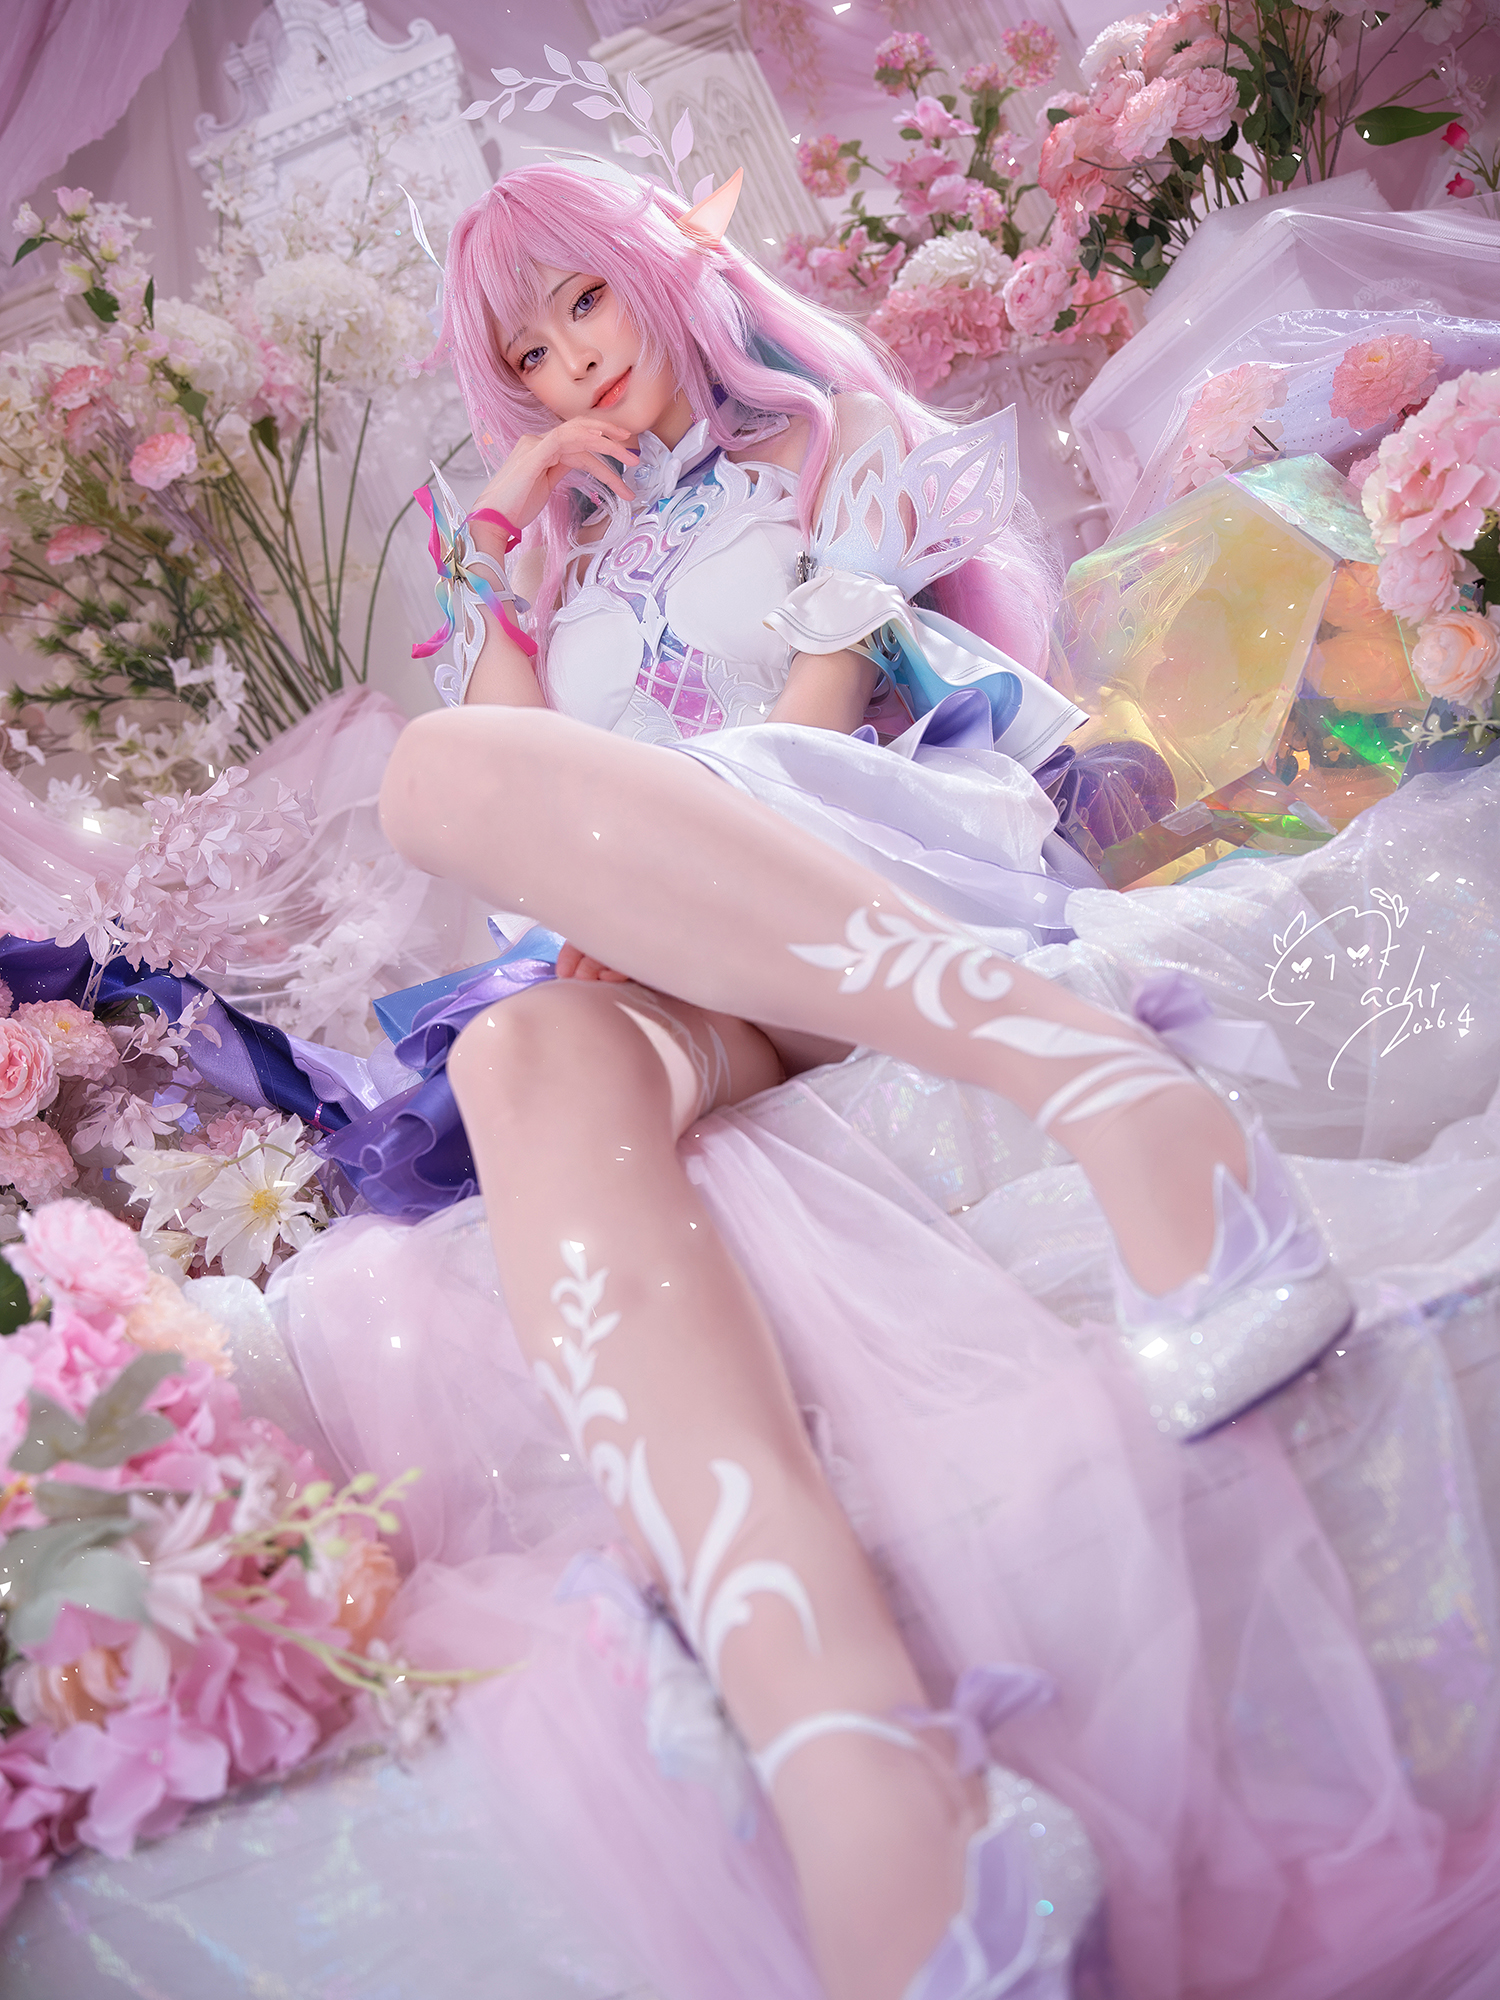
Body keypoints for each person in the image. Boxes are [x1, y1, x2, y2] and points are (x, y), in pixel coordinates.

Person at [357, 161, 1356, 2000]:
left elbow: (813, 729)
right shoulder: (576, 556)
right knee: (516, 1049)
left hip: (864, 866)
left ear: (663, 275)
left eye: (586, 302)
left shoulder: (827, 441)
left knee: (431, 781)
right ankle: (861, 1764)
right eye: (528, 353)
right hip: (689, 962)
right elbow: (518, 794)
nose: (572, 364)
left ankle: (1120, 1095)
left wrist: (639, 884)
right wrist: (508, 548)